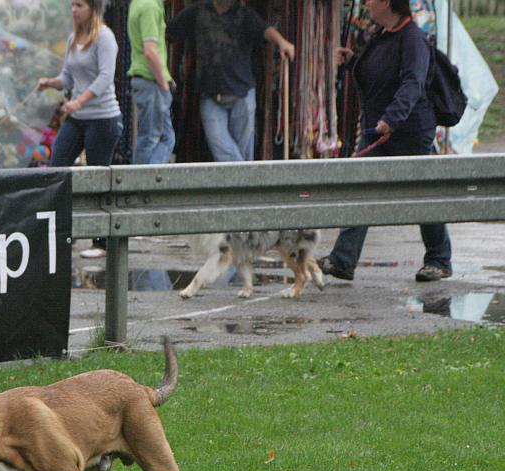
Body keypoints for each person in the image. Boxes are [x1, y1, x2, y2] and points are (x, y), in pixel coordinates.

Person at [316, 0, 452, 283]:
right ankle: (343, 259)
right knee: (361, 189)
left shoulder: (413, 38)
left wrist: (392, 118)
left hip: (409, 130)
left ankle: (439, 259)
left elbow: (413, 82)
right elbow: (380, 73)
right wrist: (352, 62)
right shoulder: (383, 35)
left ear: (388, 3)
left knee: (421, 194)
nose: (366, 3)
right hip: (377, 128)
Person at [37, 0, 122, 259]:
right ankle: (63, 233)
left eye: (80, 5)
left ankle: (101, 241)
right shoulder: (73, 38)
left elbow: (105, 77)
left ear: (93, 8)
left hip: (102, 118)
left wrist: (79, 101)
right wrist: (50, 83)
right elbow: (68, 77)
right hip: (77, 119)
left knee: (97, 177)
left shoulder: (105, 38)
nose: (74, 9)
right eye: (72, 4)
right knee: (58, 168)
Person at [166, 0, 295, 163]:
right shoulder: (197, 12)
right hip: (210, 95)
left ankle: (242, 174)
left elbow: (265, 30)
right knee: (220, 148)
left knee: (241, 150)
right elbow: (169, 31)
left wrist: (281, 42)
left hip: (242, 94)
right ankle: (245, 174)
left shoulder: (244, 14)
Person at [127, 0, 175, 166]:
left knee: (162, 137)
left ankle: (146, 177)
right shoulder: (150, 6)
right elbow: (150, 52)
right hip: (151, 81)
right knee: (153, 139)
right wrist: (164, 84)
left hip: (147, 80)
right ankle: (145, 179)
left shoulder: (138, 3)